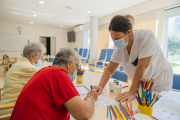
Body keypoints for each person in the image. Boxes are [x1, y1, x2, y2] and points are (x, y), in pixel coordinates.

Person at [93, 14, 173, 103]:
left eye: (117, 37)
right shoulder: (118, 48)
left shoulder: (146, 37)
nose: (115, 41)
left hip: (160, 81)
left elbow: (142, 66)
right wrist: (100, 86)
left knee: (159, 110)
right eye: (112, 38)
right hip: (141, 85)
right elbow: (109, 70)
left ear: (128, 32)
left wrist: (132, 91)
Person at [11, 48, 98, 120]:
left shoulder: (46, 71)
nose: (77, 70)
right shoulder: (59, 74)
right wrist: (91, 97)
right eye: (77, 66)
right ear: (69, 63)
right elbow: (84, 114)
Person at [0, 42, 46, 116]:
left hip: (5, 106)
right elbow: (46, 79)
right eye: (41, 57)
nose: (42, 59)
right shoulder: (27, 67)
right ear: (32, 56)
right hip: (10, 110)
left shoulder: (21, 62)